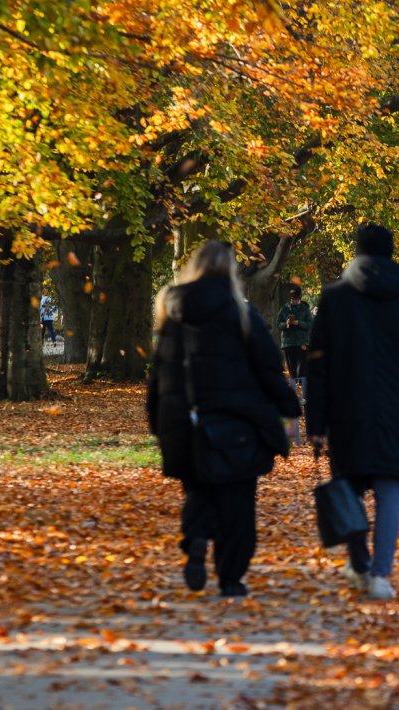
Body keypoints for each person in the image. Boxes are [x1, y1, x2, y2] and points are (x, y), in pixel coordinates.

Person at [146, 242, 300, 598]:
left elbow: (161, 374)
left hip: (188, 420)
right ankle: (230, 577)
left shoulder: (173, 313)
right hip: (237, 422)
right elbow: (267, 367)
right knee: (237, 502)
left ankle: (197, 536)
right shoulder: (240, 313)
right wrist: (289, 406)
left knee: (200, 488)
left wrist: (158, 419)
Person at [306, 223, 399, 601]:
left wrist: (316, 423)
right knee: (389, 488)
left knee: (348, 488)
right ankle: (381, 574)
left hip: (346, 409)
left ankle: (360, 564)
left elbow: (318, 366)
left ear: (358, 252)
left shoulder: (334, 298)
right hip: (397, 412)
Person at [275, 284, 313, 392]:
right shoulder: (285, 308)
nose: (294, 301)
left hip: (302, 343)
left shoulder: (305, 309)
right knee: (292, 371)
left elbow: (309, 324)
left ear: (300, 298)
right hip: (288, 344)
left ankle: (304, 394)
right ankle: (294, 395)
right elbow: (278, 324)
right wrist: (285, 324)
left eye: (296, 299)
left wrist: (298, 323)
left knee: (302, 369)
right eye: (292, 299)